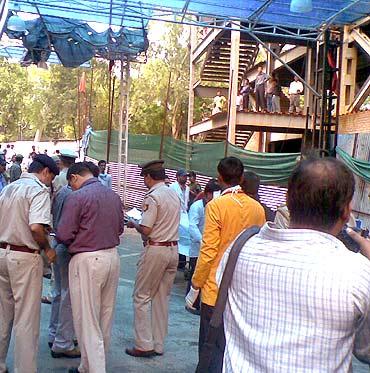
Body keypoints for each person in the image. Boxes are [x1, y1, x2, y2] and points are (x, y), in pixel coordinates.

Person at [217, 157, 370, 372]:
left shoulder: (239, 250)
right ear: (346, 212)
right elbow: (366, 350)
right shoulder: (358, 273)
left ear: (287, 201)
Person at [189, 157, 266, 373]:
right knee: (233, 346)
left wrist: (196, 284)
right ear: (241, 178)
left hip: (215, 289)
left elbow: (209, 250)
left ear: (219, 177)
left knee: (210, 344)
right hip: (243, 289)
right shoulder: (257, 209)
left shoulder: (216, 206)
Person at [55, 162, 124, 373]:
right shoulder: (112, 195)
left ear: (75, 177)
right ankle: (88, 366)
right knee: (104, 316)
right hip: (111, 256)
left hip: (86, 259)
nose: (71, 187)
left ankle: (93, 368)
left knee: (87, 319)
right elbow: (120, 228)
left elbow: (64, 234)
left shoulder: (77, 197)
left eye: (71, 183)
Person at [0, 154, 59, 373]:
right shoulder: (38, 190)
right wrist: (48, 248)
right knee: (26, 318)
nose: (49, 183)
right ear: (45, 172)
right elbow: (35, 228)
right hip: (25, 257)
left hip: (3, 253)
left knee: (3, 314)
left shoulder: (9, 188)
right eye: (51, 178)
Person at [125, 160, 180, 358]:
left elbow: (147, 229)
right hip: (173, 248)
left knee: (141, 296)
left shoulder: (153, 196)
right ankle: (158, 343)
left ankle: (143, 343)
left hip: (156, 249)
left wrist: (134, 223)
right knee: (161, 298)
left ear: (148, 176)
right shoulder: (174, 193)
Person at [48, 164, 81, 358]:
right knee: (68, 296)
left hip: (58, 243)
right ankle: (63, 341)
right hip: (67, 246)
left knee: (59, 294)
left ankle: (54, 334)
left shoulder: (61, 193)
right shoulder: (74, 196)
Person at [186, 179, 221, 315]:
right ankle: (192, 304)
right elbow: (192, 226)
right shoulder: (197, 207)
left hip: (209, 247)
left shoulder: (216, 206)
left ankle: (199, 303)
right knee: (195, 274)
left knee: (205, 276)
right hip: (198, 247)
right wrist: (202, 241)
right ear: (207, 195)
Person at [170, 169, 191, 269]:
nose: (185, 178)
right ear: (177, 177)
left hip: (184, 214)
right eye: (183, 176)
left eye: (186, 176)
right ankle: (176, 259)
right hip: (175, 214)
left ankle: (182, 260)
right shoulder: (172, 187)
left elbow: (186, 203)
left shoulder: (187, 188)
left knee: (185, 235)